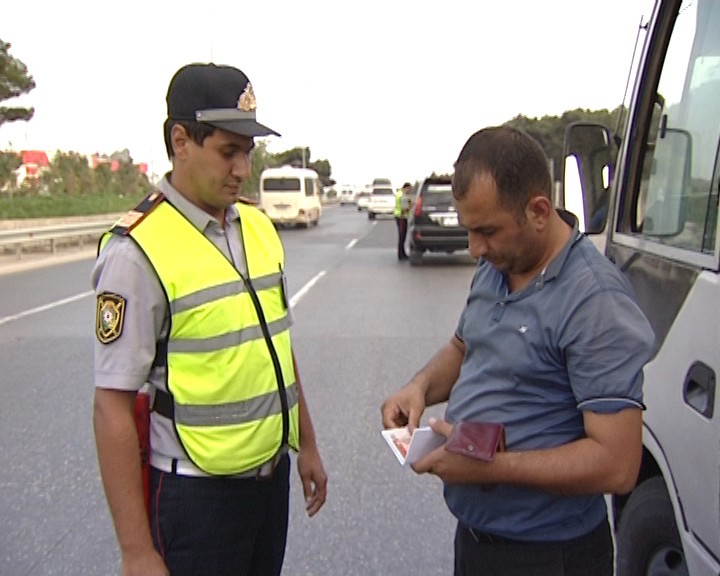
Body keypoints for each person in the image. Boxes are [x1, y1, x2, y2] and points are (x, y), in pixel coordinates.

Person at [381, 126, 655, 576]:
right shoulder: (498, 265)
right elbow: (463, 345)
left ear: (539, 211)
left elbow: (618, 464)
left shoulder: (595, 300)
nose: (474, 249)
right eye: (470, 231)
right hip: (476, 540)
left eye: (487, 231)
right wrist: (420, 387)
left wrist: (491, 469)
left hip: (549, 555)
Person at [92, 62, 327, 576]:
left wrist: (305, 443)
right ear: (181, 140)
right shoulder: (137, 251)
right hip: (196, 499)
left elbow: (277, 350)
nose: (242, 168)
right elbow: (111, 406)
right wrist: (136, 550)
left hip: (271, 484)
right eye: (228, 151)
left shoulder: (260, 229)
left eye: (248, 151)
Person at [394, 182, 413, 260]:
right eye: (409, 189)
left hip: (399, 216)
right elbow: (405, 208)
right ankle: (401, 255)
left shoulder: (399, 193)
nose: (410, 191)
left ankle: (402, 253)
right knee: (402, 237)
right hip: (402, 217)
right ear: (406, 187)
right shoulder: (403, 196)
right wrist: (411, 206)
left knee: (402, 237)